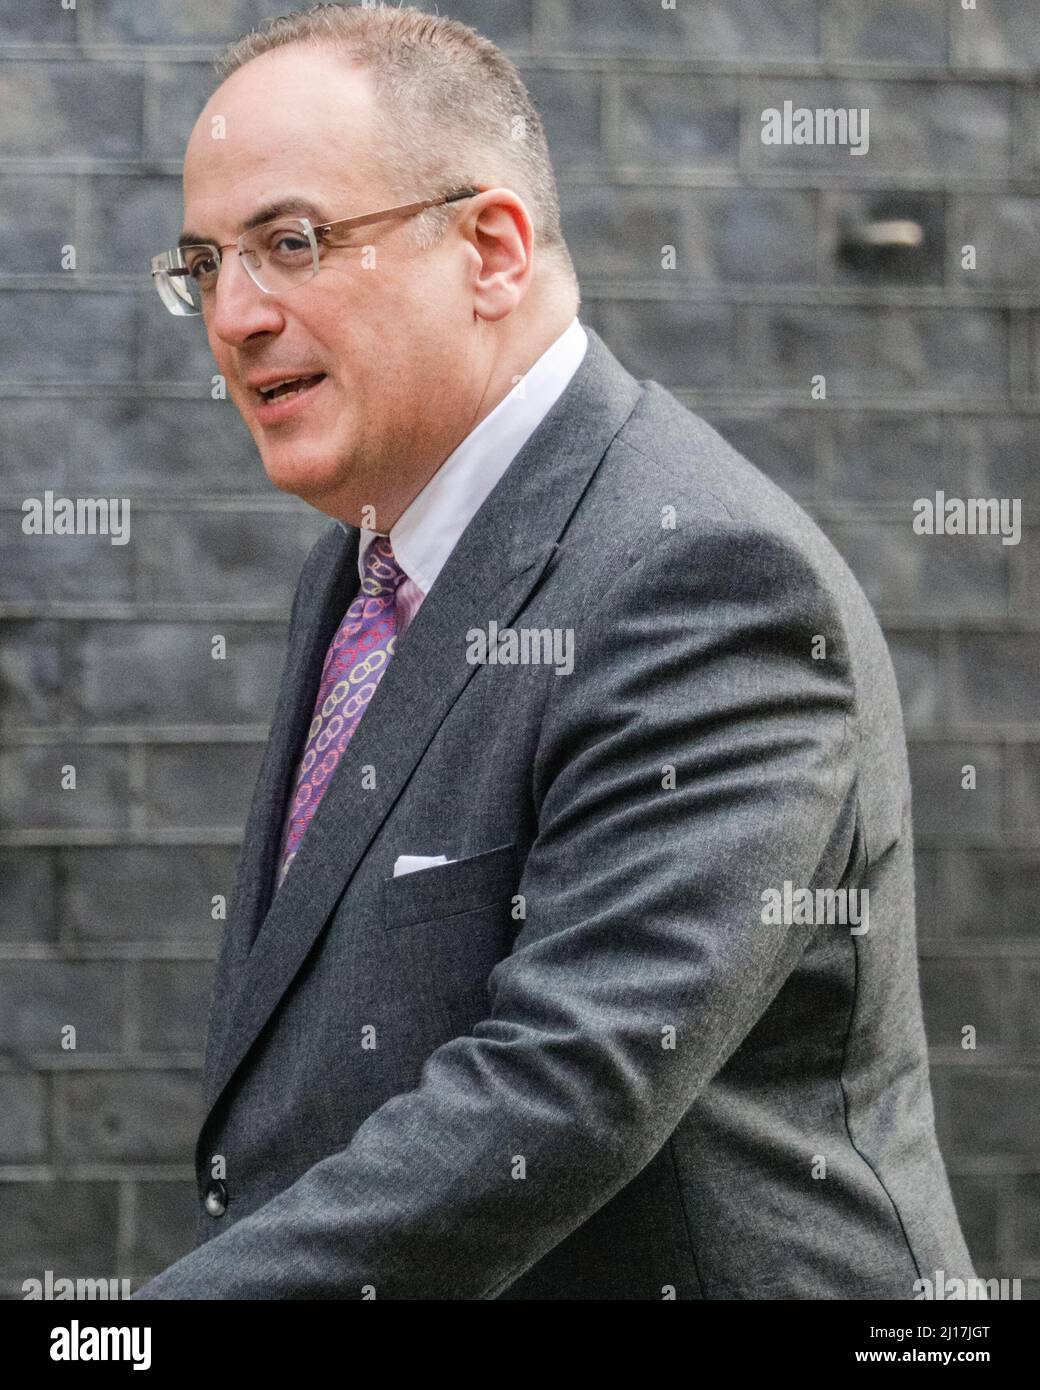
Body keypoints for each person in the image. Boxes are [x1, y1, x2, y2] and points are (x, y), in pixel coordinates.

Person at [135, 3, 975, 1299]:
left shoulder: (700, 578)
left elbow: (563, 1086)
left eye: (291, 243)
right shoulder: (365, 561)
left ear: (490, 249)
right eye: (204, 262)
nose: (235, 314)